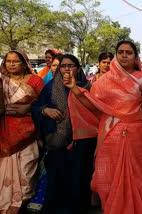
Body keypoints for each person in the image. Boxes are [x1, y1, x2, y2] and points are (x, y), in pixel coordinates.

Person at [62, 40, 142, 214]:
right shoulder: (104, 81)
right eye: (121, 52)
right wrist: (74, 88)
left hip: (134, 134)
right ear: (116, 55)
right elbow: (93, 106)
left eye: (129, 52)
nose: (124, 55)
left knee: (134, 179)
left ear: (135, 56)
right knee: (108, 178)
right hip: (108, 136)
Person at [31, 54, 96, 214]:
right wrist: (46, 110)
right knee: (56, 182)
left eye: (71, 65)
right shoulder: (50, 87)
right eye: (63, 66)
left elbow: (94, 112)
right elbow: (35, 107)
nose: (67, 69)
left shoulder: (86, 87)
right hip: (56, 141)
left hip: (81, 143)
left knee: (79, 181)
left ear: (78, 68)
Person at [0, 50, 45, 213]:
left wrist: (27, 109)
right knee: (5, 171)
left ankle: (22, 202)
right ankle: (7, 205)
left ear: (25, 63)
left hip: (29, 132)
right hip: (5, 133)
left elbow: (44, 105)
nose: (11, 64)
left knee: (26, 170)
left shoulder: (36, 81)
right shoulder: (2, 81)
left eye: (15, 61)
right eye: (8, 61)